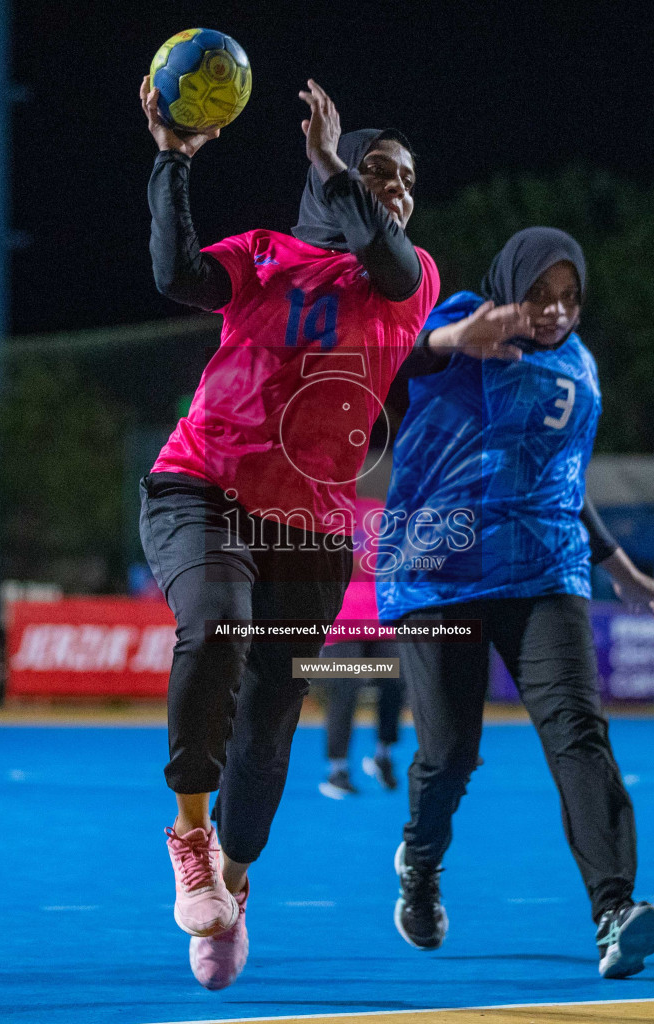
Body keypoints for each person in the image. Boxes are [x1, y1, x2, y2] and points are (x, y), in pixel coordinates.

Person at [138, 74, 440, 990]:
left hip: (309, 524)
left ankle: (233, 882)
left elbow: (385, 260)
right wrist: (172, 164)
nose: (396, 188)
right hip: (201, 485)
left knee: (269, 728)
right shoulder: (265, 253)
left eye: (406, 180)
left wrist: (337, 169)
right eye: (378, 171)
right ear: (335, 178)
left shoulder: (410, 277)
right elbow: (177, 275)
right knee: (215, 624)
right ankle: (189, 836)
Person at [379, 227, 654, 979]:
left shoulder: (580, 368)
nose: (554, 311)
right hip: (439, 569)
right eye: (539, 295)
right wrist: (455, 336)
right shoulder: (460, 319)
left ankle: (615, 912)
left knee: (580, 734)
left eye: (569, 298)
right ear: (508, 288)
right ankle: (420, 865)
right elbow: (387, 360)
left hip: (546, 570)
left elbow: (564, 480)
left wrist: (621, 567)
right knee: (450, 755)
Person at [318, 495, 402, 799]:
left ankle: (383, 754)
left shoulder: (381, 510)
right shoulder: (324, 510)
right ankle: (337, 769)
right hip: (341, 621)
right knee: (345, 688)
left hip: (381, 619)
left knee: (397, 681)